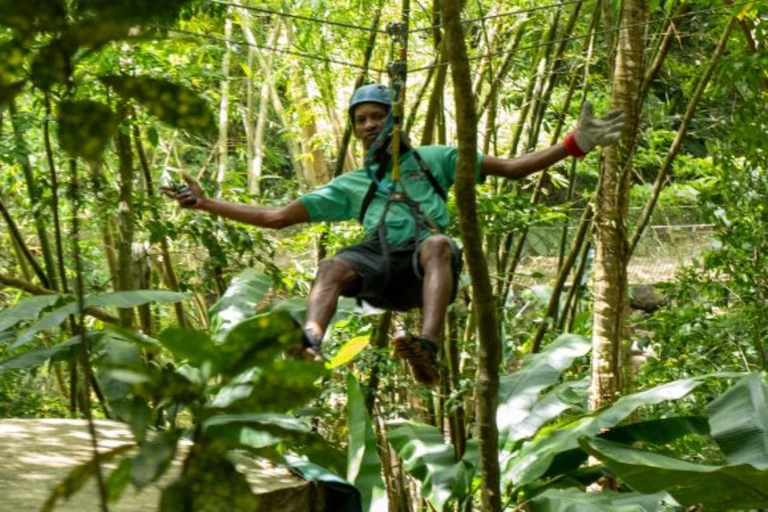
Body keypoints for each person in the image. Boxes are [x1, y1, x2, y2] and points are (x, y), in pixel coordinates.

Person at [162, 83, 624, 385]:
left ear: (393, 119)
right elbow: (275, 217)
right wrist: (204, 203)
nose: (368, 125)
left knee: (440, 242)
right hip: (379, 265)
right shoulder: (353, 185)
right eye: (361, 119)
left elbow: (510, 168)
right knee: (331, 266)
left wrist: (573, 144)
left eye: (376, 116)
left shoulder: (436, 159)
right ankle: (311, 342)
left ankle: (427, 344)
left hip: (424, 265)